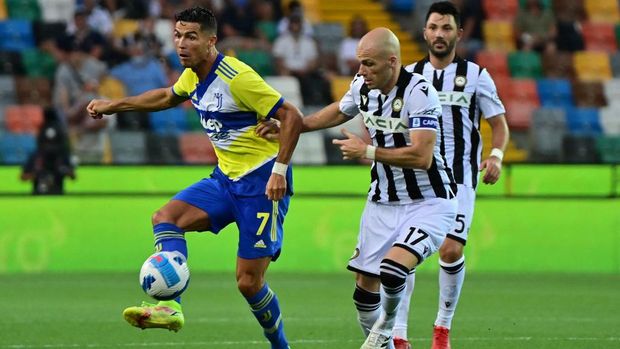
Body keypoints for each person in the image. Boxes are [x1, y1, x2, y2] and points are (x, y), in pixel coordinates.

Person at [87, 6, 302, 349]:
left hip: (261, 185)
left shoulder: (237, 77)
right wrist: (114, 104)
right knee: (166, 218)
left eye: (191, 36)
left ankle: (280, 346)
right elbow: (166, 96)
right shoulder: (193, 75)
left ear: (210, 40)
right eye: (177, 36)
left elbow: (291, 116)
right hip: (224, 180)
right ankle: (171, 306)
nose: (181, 44)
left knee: (248, 283)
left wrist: (279, 171)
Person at [259, 27, 458, 349]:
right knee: (364, 292)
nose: (361, 71)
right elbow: (338, 111)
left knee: (393, 270)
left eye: (369, 64)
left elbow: (422, 157)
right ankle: (386, 343)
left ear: (392, 62)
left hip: (428, 202)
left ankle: (388, 325)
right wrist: (290, 126)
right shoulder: (363, 87)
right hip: (382, 203)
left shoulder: (419, 92)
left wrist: (366, 152)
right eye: (359, 63)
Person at [393, 2, 510, 349]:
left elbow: (498, 123)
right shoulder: (409, 76)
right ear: (425, 32)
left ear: (459, 33)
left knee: (449, 250)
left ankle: (442, 327)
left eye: (446, 28)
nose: (439, 34)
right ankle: (398, 333)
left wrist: (496, 155)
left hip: (459, 180)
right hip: (415, 179)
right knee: (404, 253)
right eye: (434, 27)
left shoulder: (476, 76)